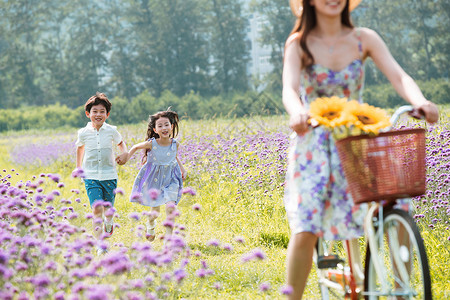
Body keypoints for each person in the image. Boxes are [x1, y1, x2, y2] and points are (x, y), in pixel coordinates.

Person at [282, 0, 439, 298]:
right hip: (316, 141)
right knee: (307, 225)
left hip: (358, 137)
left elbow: (399, 75)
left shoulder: (363, 39)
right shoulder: (299, 44)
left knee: (396, 205)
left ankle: (400, 289)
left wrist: (419, 100)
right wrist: (297, 112)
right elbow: (289, 88)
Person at [116, 109, 186, 241]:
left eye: (166, 124)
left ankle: (169, 240)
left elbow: (174, 156)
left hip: (171, 178)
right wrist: (126, 157)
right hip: (155, 180)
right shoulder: (152, 143)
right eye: (160, 126)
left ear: (172, 126)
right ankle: (151, 224)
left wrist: (182, 169)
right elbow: (136, 147)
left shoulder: (175, 144)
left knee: (171, 207)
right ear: (155, 129)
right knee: (155, 212)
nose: (164, 128)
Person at [75, 92, 128, 255]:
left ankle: (109, 221)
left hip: (109, 175)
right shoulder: (83, 132)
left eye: (102, 111)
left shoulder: (111, 130)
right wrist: (78, 167)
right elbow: (80, 148)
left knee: (108, 209)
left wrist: (124, 154)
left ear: (107, 114)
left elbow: (121, 144)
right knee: (97, 209)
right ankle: (101, 245)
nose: (98, 114)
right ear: (88, 114)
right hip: (90, 176)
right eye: (95, 111)